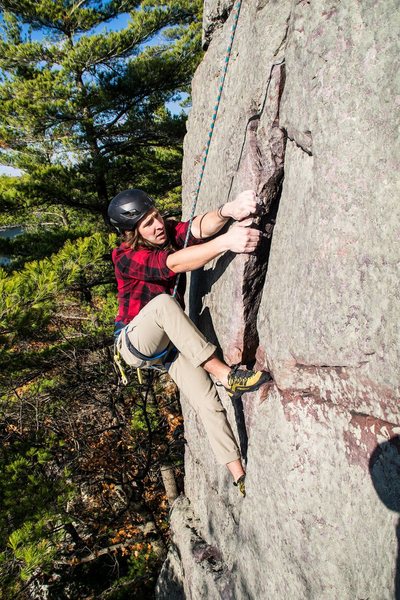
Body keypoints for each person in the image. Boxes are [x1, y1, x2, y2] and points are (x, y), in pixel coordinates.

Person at [108, 188, 271, 496]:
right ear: (132, 233)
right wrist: (226, 242)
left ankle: (238, 476)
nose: (158, 225)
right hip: (133, 341)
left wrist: (227, 211)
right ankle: (225, 374)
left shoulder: (164, 231)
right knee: (162, 305)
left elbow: (196, 228)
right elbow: (171, 265)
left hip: (167, 346)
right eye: (147, 224)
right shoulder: (124, 257)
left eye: (156, 216)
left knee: (207, 401)